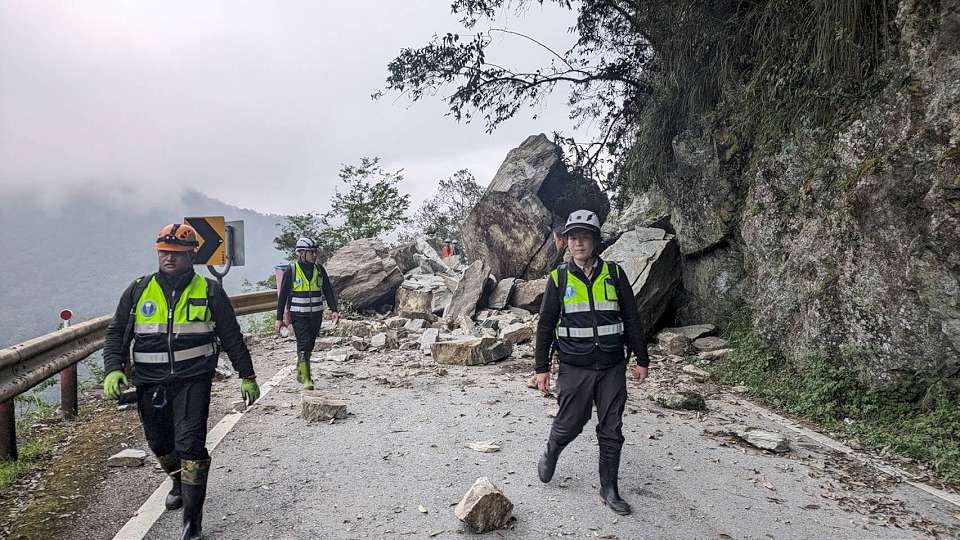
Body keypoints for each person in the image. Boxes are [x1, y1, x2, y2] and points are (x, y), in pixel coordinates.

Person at [101, 223, 260, 540]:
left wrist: (248, 376)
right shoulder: (138, 290)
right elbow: (116, 333)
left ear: (191, 255)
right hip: (149, 382)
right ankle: (176, 479)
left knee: (190, 446)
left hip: (193, 381)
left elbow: (231, 337)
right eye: (163, 252)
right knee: (160, 444)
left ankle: (192, 523)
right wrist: (113, 368)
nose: (168, 258)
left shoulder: (210, 291)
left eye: (175, 253)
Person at [534, 209, 650, 516]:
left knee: (612, 428)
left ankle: (609, 488)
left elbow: (631, 319)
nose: (578, 243)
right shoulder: (558, 279)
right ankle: (552, 449)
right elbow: (545, 325)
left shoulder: (614, 274)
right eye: (573, 237)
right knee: (571, 422)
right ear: (566, 242)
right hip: (575, 366)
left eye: (584, 237)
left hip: (612, 365)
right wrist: (541, 369)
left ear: (595, 241)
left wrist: (642, 358)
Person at [275, 237, 340, 390]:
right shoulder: (291, 271)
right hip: (298, 316)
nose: (314, 255)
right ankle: (306, 378)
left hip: (316, 315)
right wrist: (279, 319)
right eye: (311, 252)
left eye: (314, 252)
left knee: (310, 344)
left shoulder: (319, 269)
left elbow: (328, 291)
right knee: (303, 344)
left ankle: (301, 370)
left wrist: (334, 310)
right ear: (302, 253)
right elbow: (282, 296)